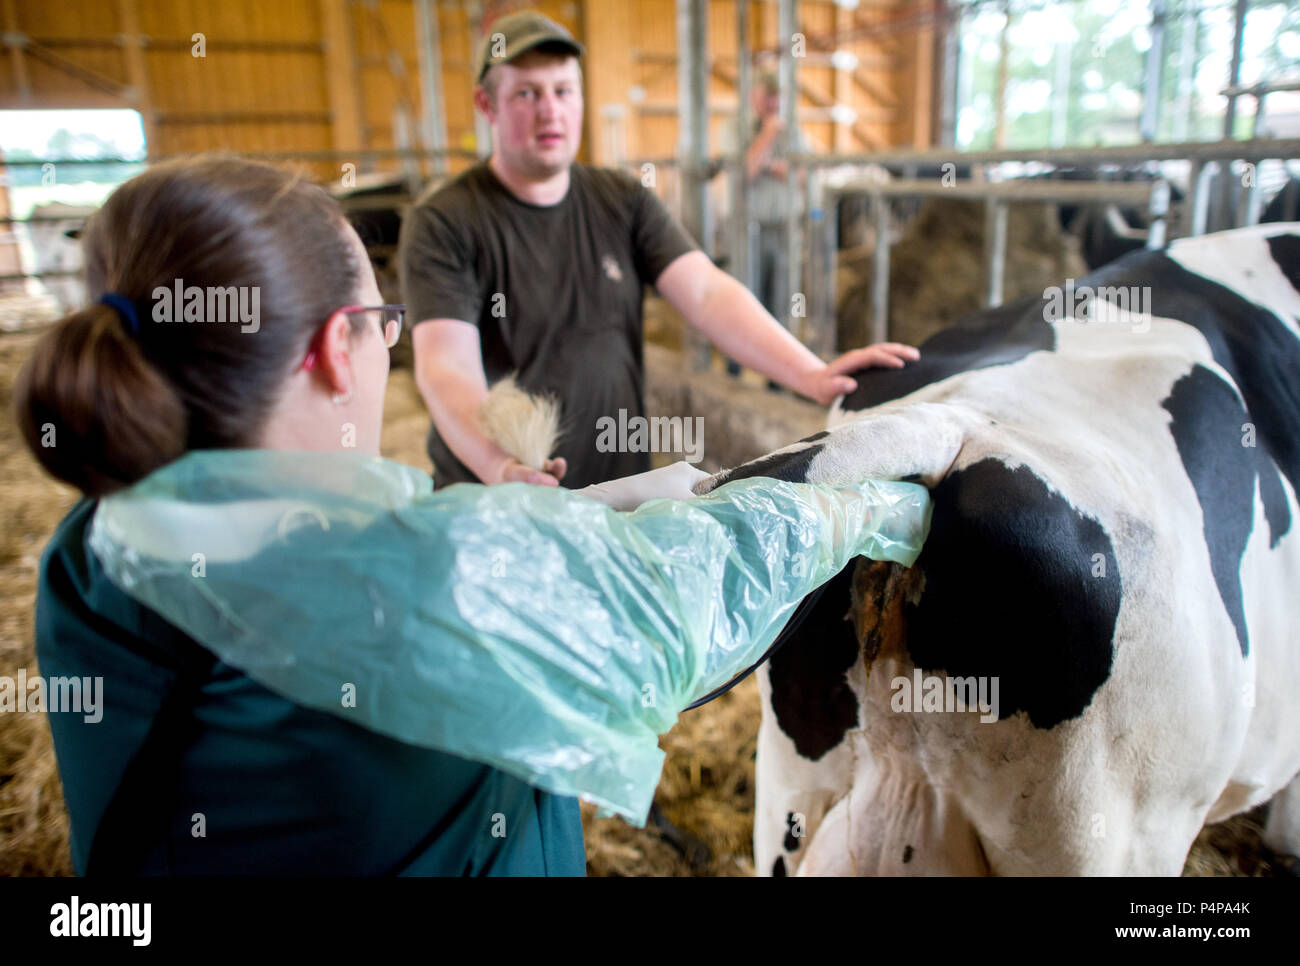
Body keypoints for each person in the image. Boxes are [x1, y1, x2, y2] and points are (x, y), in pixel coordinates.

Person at [15, 155, 928, 875]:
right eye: (383, 323)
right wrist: (877, 504)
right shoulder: (427, 583)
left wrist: (527, 530)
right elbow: (695, 591)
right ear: (340, 348)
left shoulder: (92, 548)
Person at [399, 10, 919, 492]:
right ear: (486, 104)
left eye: (563, 90)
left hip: (615, 483)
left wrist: (811, 373)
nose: (551, 111)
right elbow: (447, 366)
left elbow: (707, 292)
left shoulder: (621, 200)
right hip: (494, 493)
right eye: (527, 94)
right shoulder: (444, 221)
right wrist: (499, 466)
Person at [718, 70, 806, 384]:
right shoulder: (734, 127)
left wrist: (771, 164)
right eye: (766, 95)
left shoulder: (792, 129)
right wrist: (767, 138)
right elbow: (744, 172)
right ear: (751, 95)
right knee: (742, 300)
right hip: (745, 228)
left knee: (779, 301)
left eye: (776, 96)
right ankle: (734, 371)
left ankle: (777, 380)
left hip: (782, 228)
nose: (772, 103)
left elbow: (804, 174)